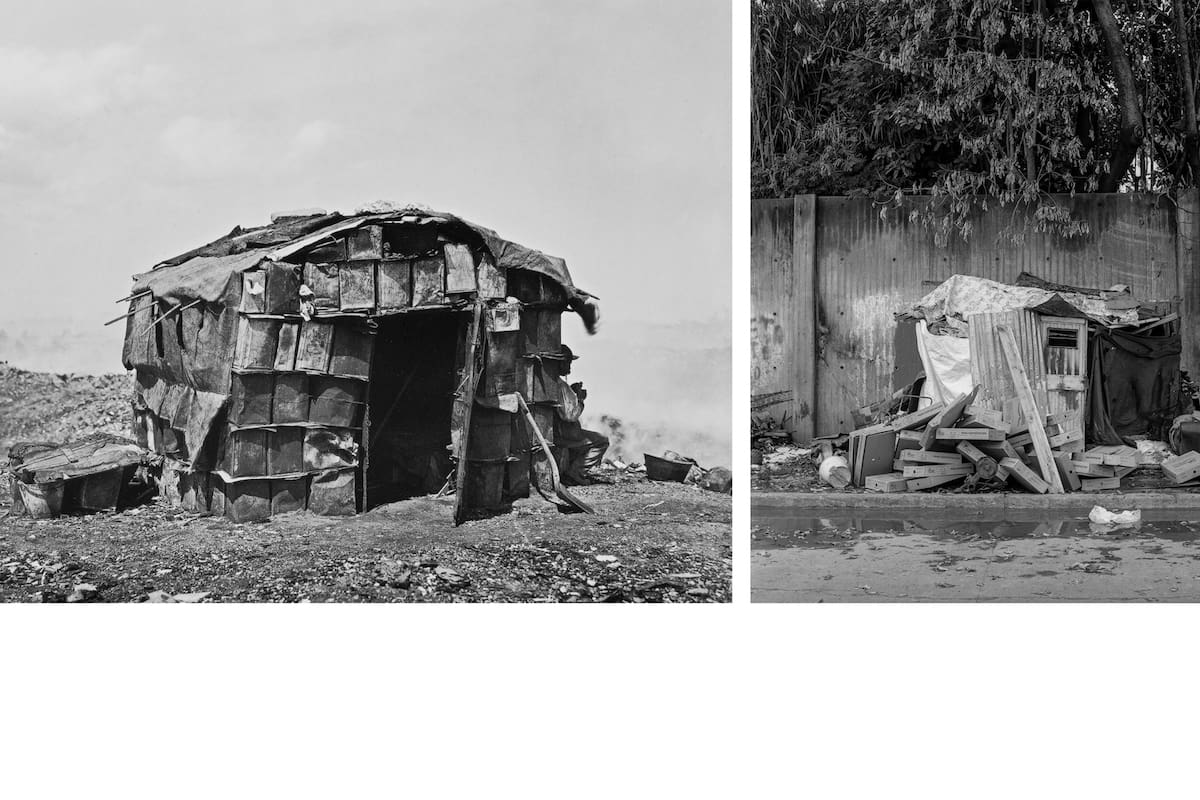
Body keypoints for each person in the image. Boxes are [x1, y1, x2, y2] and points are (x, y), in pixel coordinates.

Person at [553, 345, 609, 485]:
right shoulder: (560, 386)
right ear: (561, 362)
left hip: (557, 432)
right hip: (563, 434)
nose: (570, 368)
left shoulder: (552, 383)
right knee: (601, 441)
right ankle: (575, 474)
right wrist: (580, 399)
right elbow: (570, 416)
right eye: (568, 363)